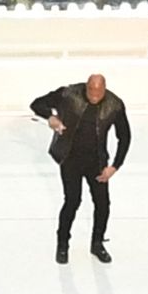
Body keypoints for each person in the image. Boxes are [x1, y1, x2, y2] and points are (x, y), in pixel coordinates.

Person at [28, 73, 131, 265]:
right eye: (91, 90)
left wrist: (115, 166)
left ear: (105, 89)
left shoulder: (115, 105)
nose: (94, 95)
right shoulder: (69, 94)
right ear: (86, 87)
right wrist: (50, 117)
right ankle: (62, 244)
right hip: (70, 158)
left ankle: (97, 243)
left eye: (98, 91)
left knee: (103, 204)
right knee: (72, 201)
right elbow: (37, 104)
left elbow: (124, 137)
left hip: (97, 162)